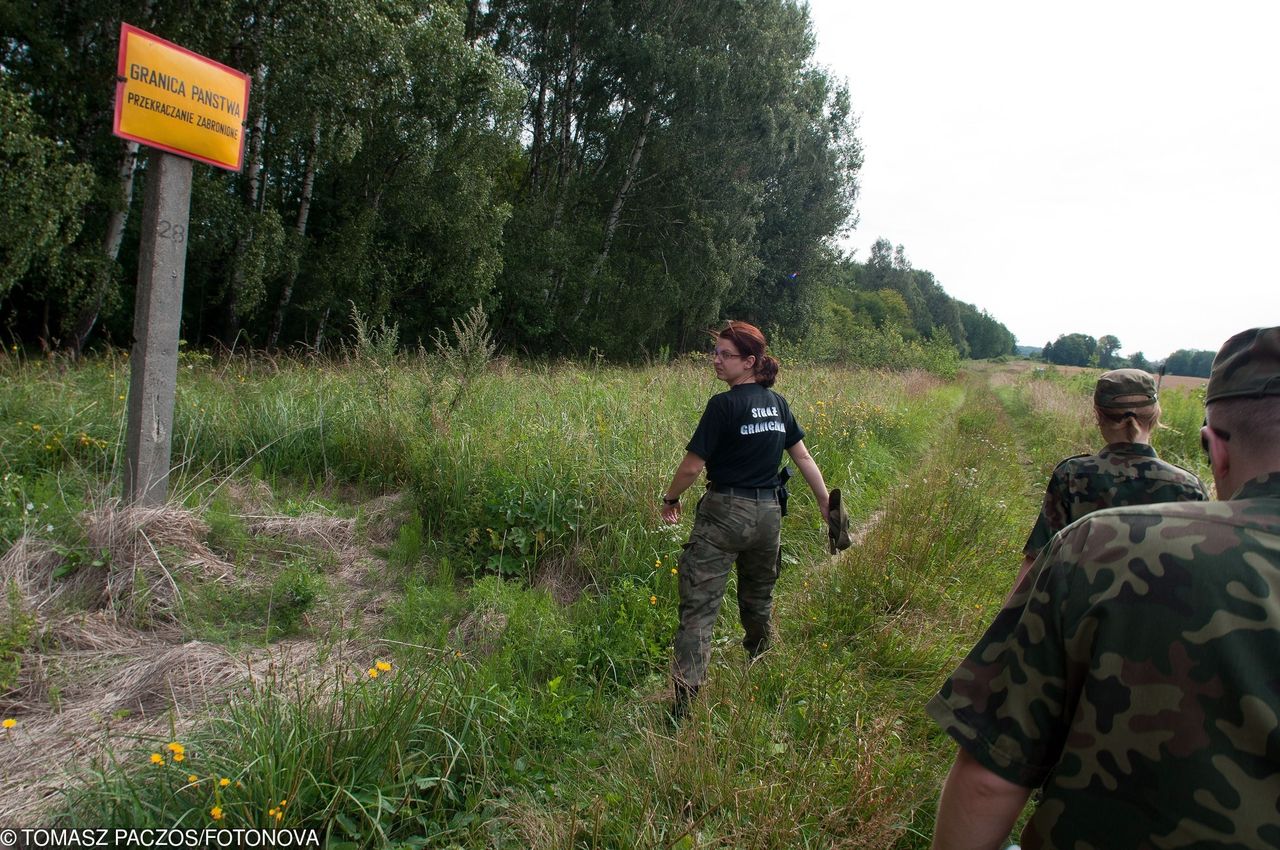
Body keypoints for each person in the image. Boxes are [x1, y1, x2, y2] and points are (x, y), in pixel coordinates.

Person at [926, 326, 1280, 850]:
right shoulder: (1185, 483)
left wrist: (1015, 629)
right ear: (1156, 417)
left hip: (1089, 633)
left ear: (1217, 449)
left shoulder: (1075, 491)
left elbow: (1034, 561)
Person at [660, 321, 831, 718]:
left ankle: (684, 704)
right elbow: (802, 456)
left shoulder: (724, 405)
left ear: (749, 362)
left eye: (725, 355)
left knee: (699, 607)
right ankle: (759, 663)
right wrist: (825, 502)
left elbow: (691, 466)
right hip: (768, 514)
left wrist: (671, 498)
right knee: (758, 598)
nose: (716, 361)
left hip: (724, 512)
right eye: (714, 353)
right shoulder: (778, 404)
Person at [1014, 368, 1208, 592]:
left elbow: (1037, 560)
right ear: (1156, 415)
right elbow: (1201, 573)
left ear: (1098, 415)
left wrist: (1005, 624)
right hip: (1163, 620)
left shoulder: (1072, 476)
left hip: (1080, 618)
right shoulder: (1188, 487)